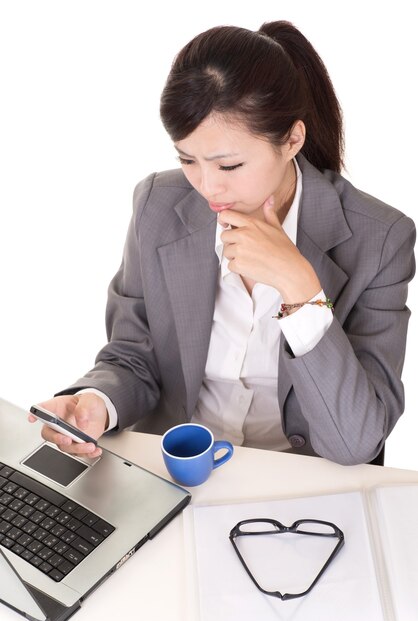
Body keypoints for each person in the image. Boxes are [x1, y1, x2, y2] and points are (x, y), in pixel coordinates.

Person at [29, 20, 415, 465]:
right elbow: (134, 356)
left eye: (228, 165)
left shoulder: (380, 239)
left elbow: (356, 442)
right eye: (188, 159)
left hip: (302, 488)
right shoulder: (158, 206)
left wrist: (301, 292)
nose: (207, 187)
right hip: (177, 473)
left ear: (292, 139)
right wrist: (95, 402)